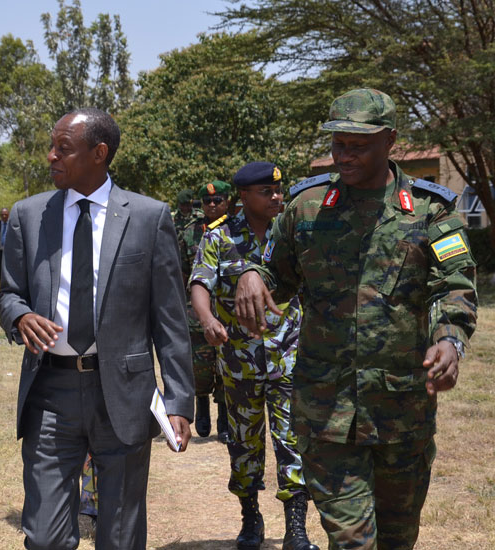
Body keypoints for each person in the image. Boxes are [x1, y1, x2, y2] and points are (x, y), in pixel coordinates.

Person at [235, 89, 477, 550]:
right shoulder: (306, 210)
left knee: (397, 539)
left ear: (390, 140)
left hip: (402, 410)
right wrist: (251, 273)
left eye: (358, 145)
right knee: (352, 542)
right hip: (326, 410)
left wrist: (449, 340)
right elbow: (274, 275)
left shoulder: (432, 210)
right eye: (337, 144)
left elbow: (455, 286)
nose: (343, 155)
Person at [0, 107, 195, 550]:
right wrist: (21, 316)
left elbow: (170, 319)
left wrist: (180, 398)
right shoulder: (29, 216)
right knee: (45, 537)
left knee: (120, 535)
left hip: (123, 392)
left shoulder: (148, 217)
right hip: (50, 391)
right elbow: (9, 294)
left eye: (63, 149)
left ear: (99, 153)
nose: (51, 157)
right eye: (51, 147)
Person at [190, 164, 317, 550]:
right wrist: (208, 319)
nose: (277, 197)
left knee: (291, 442)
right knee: (245, 445)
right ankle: (250, 519)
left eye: (279, 190)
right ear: (244, 197)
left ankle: (296, 528)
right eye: (267, 191)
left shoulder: (290, 234)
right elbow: (199, 281)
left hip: (289, 360)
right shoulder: (218, 236)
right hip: (239, 362)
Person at [178, 180, 231, 441]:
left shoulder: (238, 230)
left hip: (229, 312)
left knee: (226, 366)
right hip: (196, 314)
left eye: (217, 200)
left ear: (227, 201)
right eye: (207, 201)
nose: (212, 204)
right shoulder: (189, 233)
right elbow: (181, 274)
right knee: (199, 366)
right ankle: (201, 411)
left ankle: (224, 416)